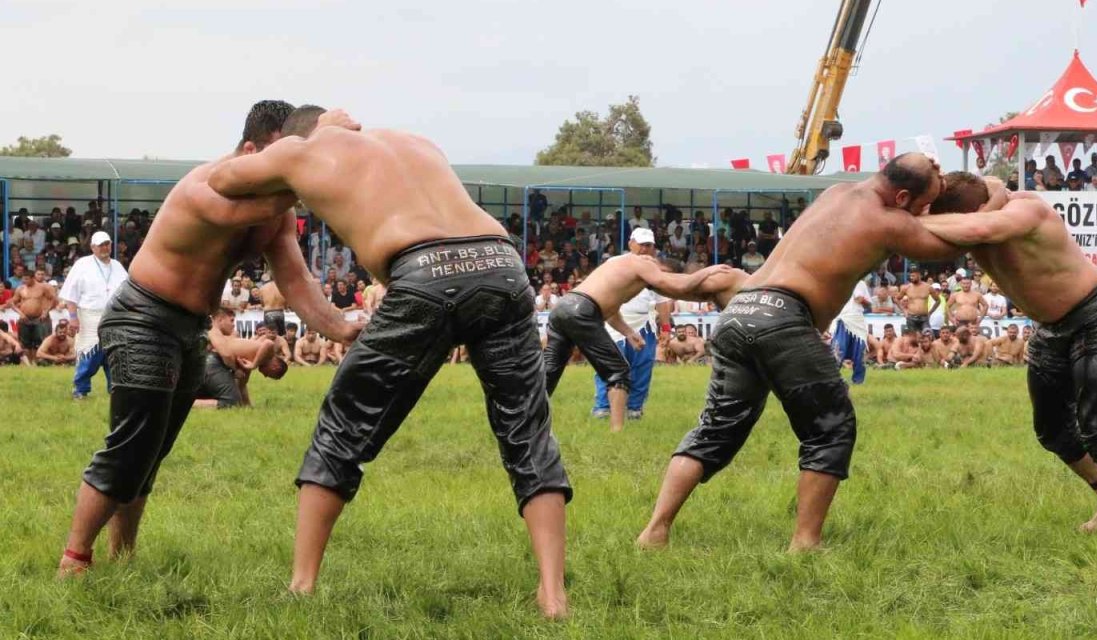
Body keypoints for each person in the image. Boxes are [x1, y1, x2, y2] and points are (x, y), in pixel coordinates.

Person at [206, 106, 571, 618]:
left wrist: (302, 148)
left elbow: (222, 178)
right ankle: (553, 594)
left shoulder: (302, 150)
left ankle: (302, 585)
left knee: (343, 424)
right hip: (502, 265)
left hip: (424, 270)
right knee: (527, 429)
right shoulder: (414, 140)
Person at [57, 101, 360, 579]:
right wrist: (317, 153)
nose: (291, 168)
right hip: (142, 317)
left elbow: (297, 281)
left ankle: (122, 558)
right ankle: (73, 562)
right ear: (251, 152)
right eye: (284, 156)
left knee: (153, 450)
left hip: (192, 327)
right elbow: (262, 204)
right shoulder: (207, 186)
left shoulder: (275, 212)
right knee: (131, 445)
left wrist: (344, 328)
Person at [636, 152, 959, 552]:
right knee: (830, 427)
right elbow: (946, 246)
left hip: (739, 310)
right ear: (903, 197)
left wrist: (926, 194)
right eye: (924, 204)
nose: (924, 213)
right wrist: (996, 203)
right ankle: (805, 542)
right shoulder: (889, 220)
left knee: (714, 430)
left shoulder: (836, 192)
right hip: (783, 317)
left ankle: (655, 531)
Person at [924, 172, 1097, 540]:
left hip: (1094, 315)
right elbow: (989, 187)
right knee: (1052, 430)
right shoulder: (981, 205)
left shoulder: (1026, 210)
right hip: (1049, 326)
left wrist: (924, 221)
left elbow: (980, 226)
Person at [542, 253, 728, 432]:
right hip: (582, 309)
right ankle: (617, 432)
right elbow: (682, 285)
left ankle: (529, 421)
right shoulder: (645, 265)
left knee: (549, 372)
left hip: (563, 307)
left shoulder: (621, 270)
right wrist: (708, 271)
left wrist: (629, 333)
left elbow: (611, 310)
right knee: (619, 371)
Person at [587, 228, 672, 421]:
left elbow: (662, 300)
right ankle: (603, 407)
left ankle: (634, 408)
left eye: (648, 245)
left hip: (644, 323)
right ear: (630, 244)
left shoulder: (654, 268)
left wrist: (666, 328)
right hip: (614, 320)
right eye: (641, 244)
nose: (644, 248)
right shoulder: (614, 263)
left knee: (642, 366)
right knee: (609, 365)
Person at [58, 231, 128, 398]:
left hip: (114, 316)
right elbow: (70, 294)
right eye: (101, 245)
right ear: (93, 247)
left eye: (107, 244)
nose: (104, 248)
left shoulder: (117, 266)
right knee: (89, 354)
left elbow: (127, 292)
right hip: (89, 316)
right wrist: (73, 318)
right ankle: (80, 390)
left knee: (115, 355)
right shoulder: (82, 265)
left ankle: (116, 390)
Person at [830, 276, 872, 384]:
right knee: (839, 348)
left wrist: (862, 300)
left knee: (860, 351)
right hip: (843, 319)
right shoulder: (839, 282)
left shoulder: (861, 283)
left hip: (857, 319)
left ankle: (858, 380)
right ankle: (832, 378)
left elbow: (868, 302)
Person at [11, 269, 57, 363]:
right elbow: (12, 303)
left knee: (38, 342)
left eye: (27, 279)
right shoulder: (20, 288)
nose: (24, 281)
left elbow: (53, 299)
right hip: (25, 319)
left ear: (32, 278)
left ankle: (36, 362)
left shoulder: (42, 287)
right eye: (23, 279)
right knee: (25, 343)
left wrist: (46, 311)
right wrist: (20, 313)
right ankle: (28, 363)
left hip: (39, 318)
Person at [898, 267, 934, 333]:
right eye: (910, 276)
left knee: (927, 335)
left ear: (919, 275)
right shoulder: (906, 287)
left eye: (913, 276)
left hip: (924, 317)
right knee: (914, 338)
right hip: (911, 317)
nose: (911, 277)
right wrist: (904, 310)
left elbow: (938, 300)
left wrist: (931, 312)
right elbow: (896, 299)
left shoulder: (928, 287)